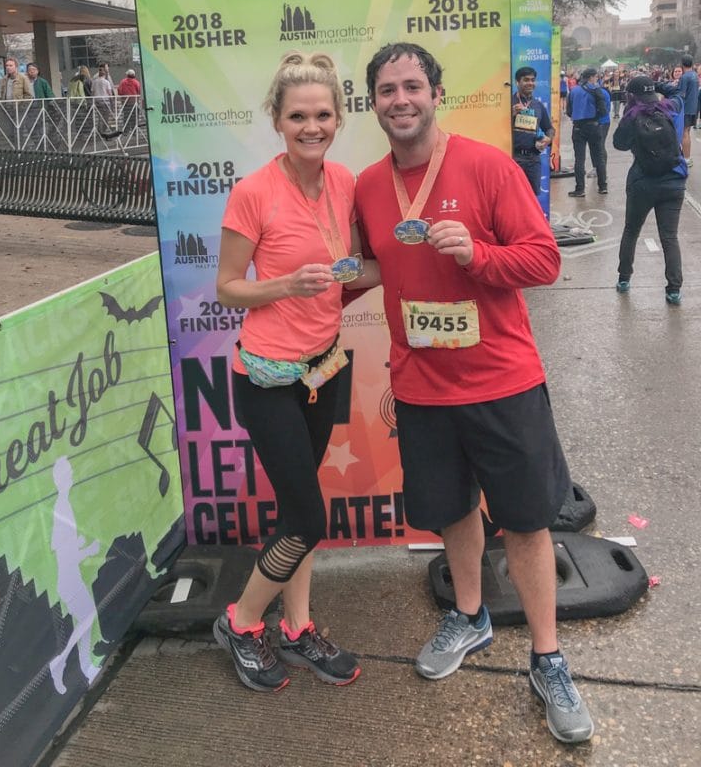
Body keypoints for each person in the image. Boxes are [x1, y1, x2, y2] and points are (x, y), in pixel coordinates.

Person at [354, 41, 594, 745]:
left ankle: (547, 659)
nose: (400, 99)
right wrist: (308, 288)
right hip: (422, 385)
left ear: (436, 93)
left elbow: (544, 257)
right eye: (386, 90)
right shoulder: (368, 186)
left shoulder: (487, 165)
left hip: (501, 379)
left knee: (524, 520)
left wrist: (481, 255)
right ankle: (470, 614)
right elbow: (372, 265)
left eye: (411, 86)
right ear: (373, 102)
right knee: (452, 510)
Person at [213, 51, 373, 693]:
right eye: (298, 115)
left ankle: (298, 627)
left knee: (296, 510)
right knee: (308, 517)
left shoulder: (344, 184)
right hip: (267, 379)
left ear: (339, 118)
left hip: (323, 367)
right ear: (277, 121)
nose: (313, 126)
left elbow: (350, 274)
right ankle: (243, 621)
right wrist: (283, 284)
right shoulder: (254, 191)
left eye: (324, 114)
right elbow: (227, 289)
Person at [613, 75, 687, 305]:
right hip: (674, 180)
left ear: (631, 96)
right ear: (653, 91)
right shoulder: (671, 108)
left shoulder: (631, 116)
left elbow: (619, 144)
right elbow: (678, 94)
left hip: (642, 182)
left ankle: (624, 278)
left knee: (631, 230)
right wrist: (659, 85)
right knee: (670, 236)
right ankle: (673, 289)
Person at [511, 66, 554, 196]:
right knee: (514, 197)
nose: (530, 83)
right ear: (517, 82)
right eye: (526, 80)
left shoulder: (538, 105)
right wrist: (511, 114)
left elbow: (549, 128)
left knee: (532, 198)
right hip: (513, 158)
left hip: (533, 159)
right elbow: (495, 127)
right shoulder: (509, 103)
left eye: (532, 80)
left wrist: (548, 139)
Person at [566, 66, 607, 197]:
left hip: (578, 127)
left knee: (579, 159)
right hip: (594, 126)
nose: (597, 79)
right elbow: (604, 111)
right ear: (590, 77)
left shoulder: (573, 91)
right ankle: (602, 187)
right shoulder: (597, 91)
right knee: (598, 157)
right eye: (596, 77)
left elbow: (569, 111)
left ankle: (580, 189)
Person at [676, 55, 699, 167]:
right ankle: (687, 157)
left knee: (684, 133)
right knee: (687, 133)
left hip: (685, 109)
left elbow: (681, 94)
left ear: (683, 64)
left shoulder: (685, 77)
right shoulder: (695, 75)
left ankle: (685, 159)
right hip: (693, 108)